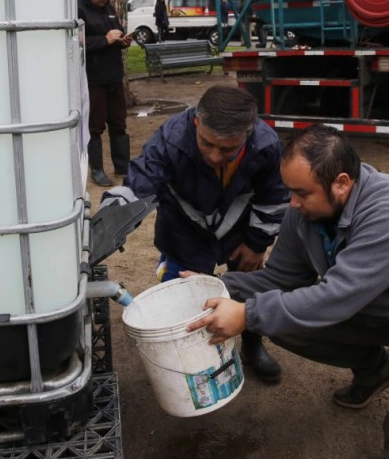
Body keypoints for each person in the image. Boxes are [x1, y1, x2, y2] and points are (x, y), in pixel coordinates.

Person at [186, 124, 389, 459]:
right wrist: (215, 286)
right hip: (370, 304)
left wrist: (247, 314)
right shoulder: (303, 215)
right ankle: (375, 371)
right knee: (280, 319)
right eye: (289, 191)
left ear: (342, 183)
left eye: (302, 193)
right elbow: (280, 281)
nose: (293, 203)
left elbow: (338, 295)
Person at [104, 86, 291, 383]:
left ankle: (252, 345)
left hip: (240, 232)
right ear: (196, 123)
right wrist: (108, 222)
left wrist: (257, 244)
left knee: (248, 288)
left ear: (248, 132)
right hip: (183, 231)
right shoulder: (170, 139)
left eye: (228, 149)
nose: (215, 156)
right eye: (207, 144)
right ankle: (192, 361)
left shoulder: (266, 145)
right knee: (186, 295)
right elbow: (140, 182)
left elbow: (274, 196)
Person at [78, 0, 132, 187]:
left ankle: (123, 167)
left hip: (114, 77)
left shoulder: (107, 7)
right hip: (93, 79)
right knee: (95, 127)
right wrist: (105, 40)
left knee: (119, 124)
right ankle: (97, 170)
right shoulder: (77, 8)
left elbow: (116, 30)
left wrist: (123, 40)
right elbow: (77, 43)